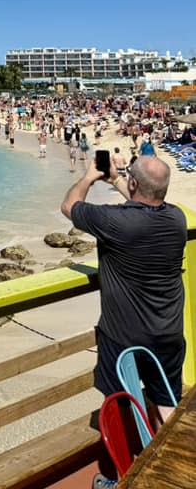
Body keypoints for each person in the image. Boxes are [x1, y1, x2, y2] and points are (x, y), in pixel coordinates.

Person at [60, 155, 186, 426]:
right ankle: (173, 462)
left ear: (134, 184)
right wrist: (117, 179)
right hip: (168, 333)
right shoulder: (177, 219)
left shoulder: (115, 222)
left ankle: (125, 467)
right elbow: (144, 202)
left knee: (119, 403)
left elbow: (70, 206)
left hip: (124, 339)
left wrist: (89, 177)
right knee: (166, 404)